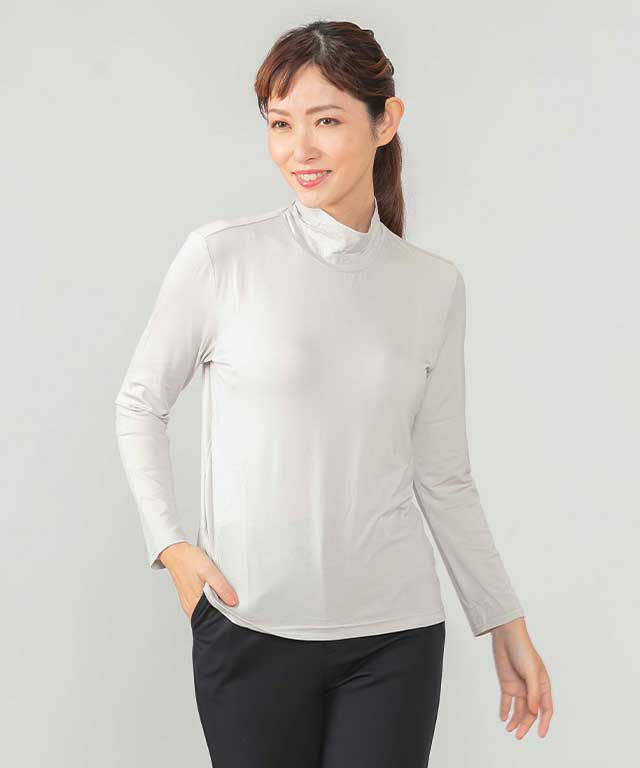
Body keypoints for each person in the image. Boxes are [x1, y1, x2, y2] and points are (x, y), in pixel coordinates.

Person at [114, 19, 553, 767]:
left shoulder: (432, 285)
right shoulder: (223, 258)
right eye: (280, 124)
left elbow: (443, 475)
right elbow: (140, 402)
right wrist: (173, 547)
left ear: (386, 121)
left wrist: (502, 620)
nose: (300, 149)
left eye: (326, 121)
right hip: (249, 629)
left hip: (395, 639)